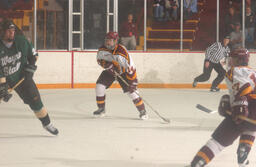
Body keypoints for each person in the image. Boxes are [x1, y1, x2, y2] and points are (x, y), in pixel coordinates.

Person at [189, 48, 256, 167]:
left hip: (245, 110)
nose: (230, 61)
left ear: (239, 59)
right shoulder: (253, 71)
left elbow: (244, 87)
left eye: (232, 59)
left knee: (217, 143)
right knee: (250, 127)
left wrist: (239, 105)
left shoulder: (235, 70)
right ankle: (243, 154)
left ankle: (197, 164)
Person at [0, 20, 58, 135]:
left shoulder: (21, 41)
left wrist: (29, 70)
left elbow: (34, 56)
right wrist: (2, 86)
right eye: (8, 31)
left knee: (35, 100)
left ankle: (47, 124)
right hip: (3, 79)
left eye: (13, 31)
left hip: (22, 77)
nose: (11, 33)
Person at [93, 31, 148, 120]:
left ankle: (142, 111)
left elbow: (130, 68)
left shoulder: (122, 51)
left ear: (115, 41)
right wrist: (107, 66)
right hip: (110, 71)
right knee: (99, 86)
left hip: (124, 73)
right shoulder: (102, 49)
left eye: (110, 40)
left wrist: (133, 82)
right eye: (107, 40)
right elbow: (100, 60)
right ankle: (101, 109)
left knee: (132, 93)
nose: (108, 42)